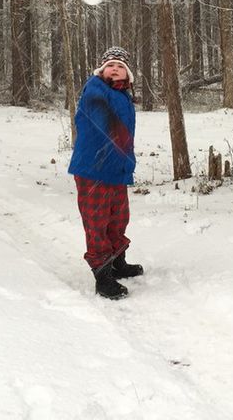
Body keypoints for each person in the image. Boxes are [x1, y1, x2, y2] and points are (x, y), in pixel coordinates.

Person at [68, 46, 144, 299]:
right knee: (97, 221)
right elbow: (102, 124)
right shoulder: (95, 88)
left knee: (118, 218)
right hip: (93, 169)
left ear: (128, 75)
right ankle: (102, 275)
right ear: (102, 70)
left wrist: (126, 162)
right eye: (110, 65)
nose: (114, 68)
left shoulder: (122, 95)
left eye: (120, 66)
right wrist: (117, 154)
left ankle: (116, 262)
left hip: (115, 170)